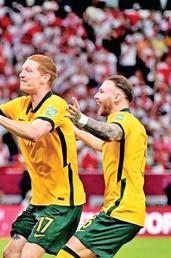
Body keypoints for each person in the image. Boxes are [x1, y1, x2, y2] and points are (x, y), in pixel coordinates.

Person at [0, 54, 86, 257]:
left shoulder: (57, 105)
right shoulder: (20, 105)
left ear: (45, 78)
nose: (21, 74)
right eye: (22, 70)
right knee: (10, 253)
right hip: (38, 201)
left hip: (62, 201)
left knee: (28, 255)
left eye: (28, 70)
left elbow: (34, 133)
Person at [57, 75, 147, 258]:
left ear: (116, 97)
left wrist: (81, 120)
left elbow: (110, 134)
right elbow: (102, 144)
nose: (96, 96)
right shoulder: (130, 125)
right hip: (125, 210)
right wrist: (77, 132)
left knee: (66, 255)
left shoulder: (123, 120)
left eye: (102, 91)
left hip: (121, 209)